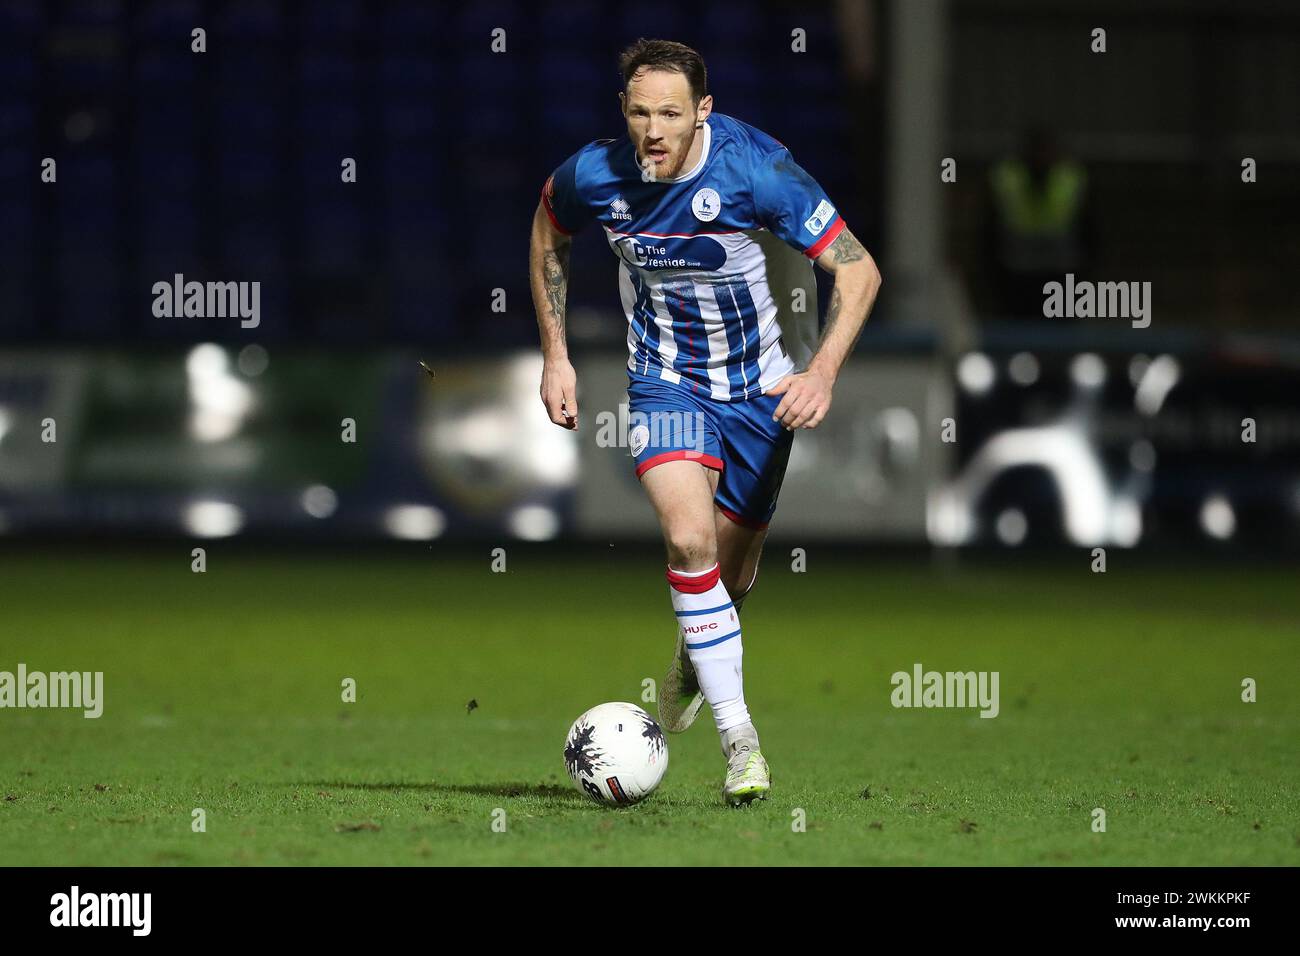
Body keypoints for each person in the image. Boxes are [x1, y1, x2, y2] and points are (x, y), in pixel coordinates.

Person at [529, 39, 881, 805]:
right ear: (623, 112)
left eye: (671, 114)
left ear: (703, 114)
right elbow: (549, 232)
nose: (654, 131)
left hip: (761, 393)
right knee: (687, 540)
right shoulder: (595, 173)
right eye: (640, 112)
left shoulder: (756, 170)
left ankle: (696, 655)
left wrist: (821, 371)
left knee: (729, 572)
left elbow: (858, 270)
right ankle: (741, 742)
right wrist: (556, 355)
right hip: (664, 385)